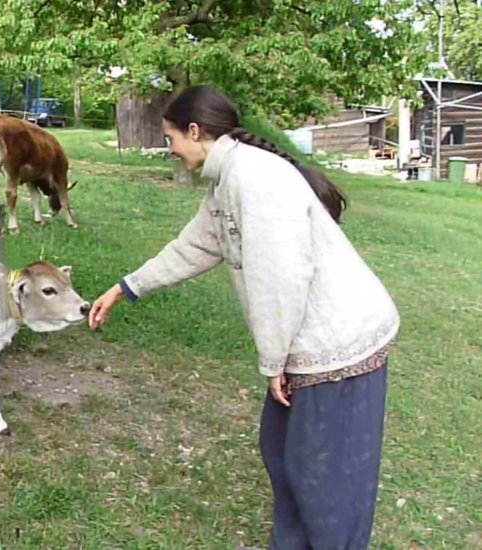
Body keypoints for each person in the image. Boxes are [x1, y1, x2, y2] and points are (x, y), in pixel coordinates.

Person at [88, 85, 400, 549]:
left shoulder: (255, 179)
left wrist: (274, 363)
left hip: (338, 345)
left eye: (171, 137)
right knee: (283, 454)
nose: (169, 149)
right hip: (305, 345)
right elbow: (194, 246)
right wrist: (125, 288)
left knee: (327, 480)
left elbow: (282, 278)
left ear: (195, 131)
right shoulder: (227, 178)